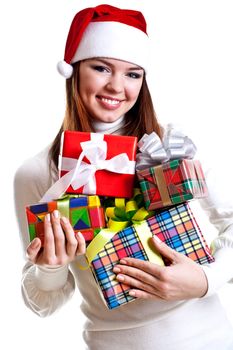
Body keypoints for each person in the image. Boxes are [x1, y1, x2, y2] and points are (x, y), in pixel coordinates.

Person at [14, 4, 233, 350]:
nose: (117, 87)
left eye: (133, 74)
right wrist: (51, 268)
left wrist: (205, 280)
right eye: (101, 68)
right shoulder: (39, 173)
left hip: (209, 340)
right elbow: (41, 303)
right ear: (73, 71)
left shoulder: (170, 147)